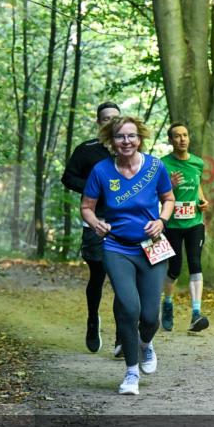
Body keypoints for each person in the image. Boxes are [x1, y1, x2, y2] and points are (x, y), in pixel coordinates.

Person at [81, 116, 175, 395]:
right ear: (111, 140)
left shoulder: (155, 167)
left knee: (150, 317)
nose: (126, 141)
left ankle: (146, 344)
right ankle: (131, 373)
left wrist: (161, 220)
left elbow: (169, 199)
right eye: (120, 136)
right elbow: (86, 206)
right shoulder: (101, 170)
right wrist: (96, 222)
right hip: (117, 247)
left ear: (140, 138)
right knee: (128, 308)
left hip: (152, 246)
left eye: (131, 136)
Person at [61, 101, 123, 357]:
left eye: (116, 118)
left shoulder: (129, 149)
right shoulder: (86, 150)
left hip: (124, 224)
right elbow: (68, 177)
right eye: (106, 119)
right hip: (95, 223)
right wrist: (93, 186)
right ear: (99, 123)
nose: (111, 122)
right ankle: (92, 320)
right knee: (98, 276)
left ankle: (122, 337)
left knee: (122, 280)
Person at [160, 122, 210, 332]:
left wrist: (202, 199)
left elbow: (197, 184)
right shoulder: (162, 164)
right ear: (170, 140)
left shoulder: (198, 163)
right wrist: (168, 185)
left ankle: (196, 313)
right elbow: (155, 193)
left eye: (185, 135)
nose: (182, 139)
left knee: (195, 264)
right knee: (174, 268)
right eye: (177, 136)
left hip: (194, 222)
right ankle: (168, 304)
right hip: (172, 223)